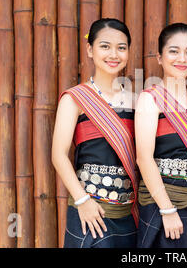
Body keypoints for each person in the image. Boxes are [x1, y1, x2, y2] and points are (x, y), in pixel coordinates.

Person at [51, 18, 139, 248]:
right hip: (89, 212)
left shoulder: (137, 101)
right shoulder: (75, 98)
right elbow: (58, 155)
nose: (114, 54)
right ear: (90, 49)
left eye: (121, 48)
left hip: (127, 215)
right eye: (105, 46)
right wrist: (82, 201)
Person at [135, 23, 187, 248]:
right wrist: (167, 209)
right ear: (160, 57)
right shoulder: (149, 99)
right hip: (162, 206)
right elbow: (144, 158)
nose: (182, 58)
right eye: (174, 51)